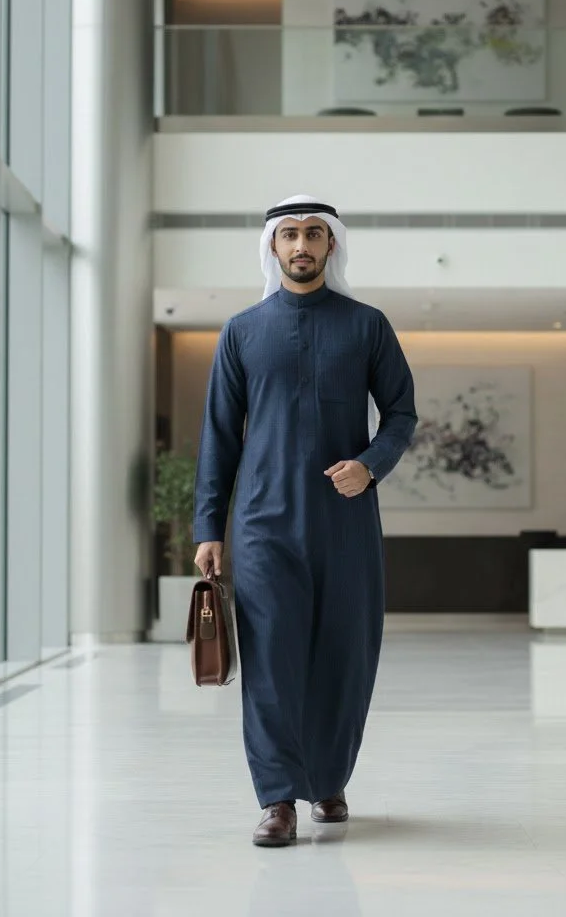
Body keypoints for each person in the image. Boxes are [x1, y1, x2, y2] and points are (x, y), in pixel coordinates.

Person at [193, 194, 417, 847]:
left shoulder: (368, 326)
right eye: (289, 235)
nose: (301, 246)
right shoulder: (240, 332)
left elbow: (401, 413)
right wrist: (210, 527)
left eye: (313, 235)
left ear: (331, 246)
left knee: (343, 657)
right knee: (270, 662)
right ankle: (277, 799)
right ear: (272, 247)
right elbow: (218, 437)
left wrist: (371, 464)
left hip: (345, 526)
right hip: (263, 527)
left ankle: (328, 779)